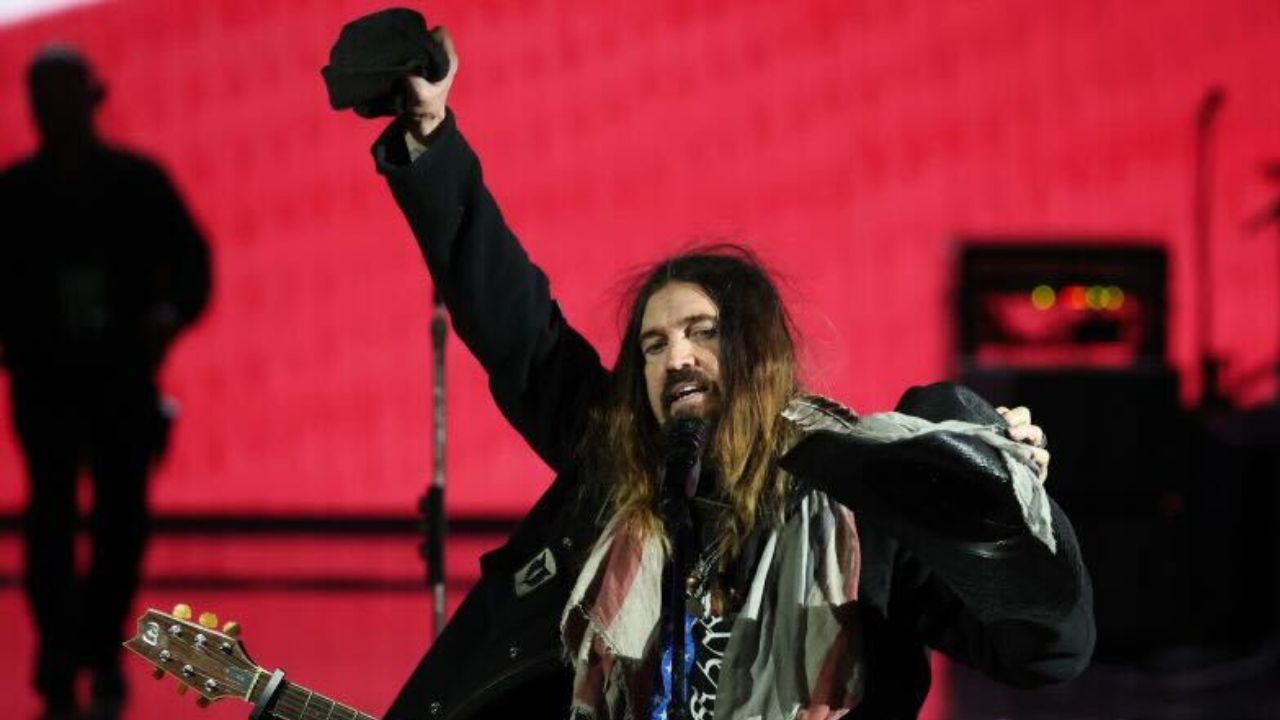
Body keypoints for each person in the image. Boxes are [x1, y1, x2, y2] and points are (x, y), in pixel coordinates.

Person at [356, 26, 1092, 720]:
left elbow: (1040, 653)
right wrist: (431, 136)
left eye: (702, 334)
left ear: (756, 353)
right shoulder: (617, 470)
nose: (674, 357)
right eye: (651, 345)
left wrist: (1010, 515)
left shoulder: (866, 503)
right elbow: (516, 328)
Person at [0, 46, 211, 720]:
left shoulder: (135, 185)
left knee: (120, 521)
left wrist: (166, 318)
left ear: (86, 100)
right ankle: (62, 649)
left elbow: (192, 265)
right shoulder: (16, 195)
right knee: (52, 522)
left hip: (119, 381)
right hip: (48, 383)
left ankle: (96, 646)